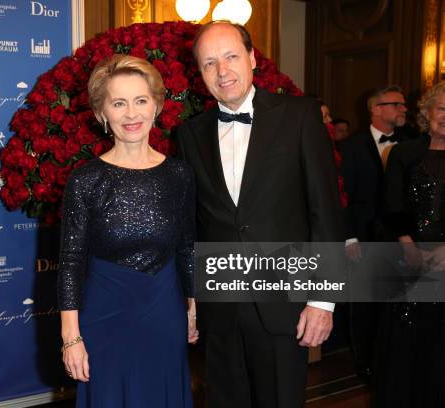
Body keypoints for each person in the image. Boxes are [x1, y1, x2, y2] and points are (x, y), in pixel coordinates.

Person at [176, 21, 344, 408]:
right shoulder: (189, 134)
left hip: (285, 305)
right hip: (220, 310)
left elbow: (327, 215)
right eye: (209, 63)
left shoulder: (300, 116)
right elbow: (193, 225)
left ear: (252, 58)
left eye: (232, 56)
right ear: (199, 73)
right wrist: (191, 298)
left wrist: (324, 301)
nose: (222, 71)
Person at [57, 54, 198, 408]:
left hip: (165, 313)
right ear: (103, 113)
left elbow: (187, 247)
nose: (131, 114)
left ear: (156, 106)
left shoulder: (179, 175)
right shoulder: (86, 179)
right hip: (106, 316)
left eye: (140, 101)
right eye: (119, 103)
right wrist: (71, 337)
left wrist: (193, 307)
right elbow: (71, 262)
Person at [374, 81, 445, 408]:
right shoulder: (403, 152)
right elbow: (391, 206)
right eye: (441, 108)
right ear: (427, 112)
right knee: (408, 344)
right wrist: (409, 247)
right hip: (410, 260)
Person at [340, 85, 416, 382]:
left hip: (401, 237)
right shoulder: (351, 146)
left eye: (403, 104)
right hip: (364, 236)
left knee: (398, 302)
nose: (403, 109)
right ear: (376, 109)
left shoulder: (412, 143)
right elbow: (342, 196)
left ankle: (395, 362)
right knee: (364, 305)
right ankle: (366, 365)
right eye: (396, 104)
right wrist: (349, 237)